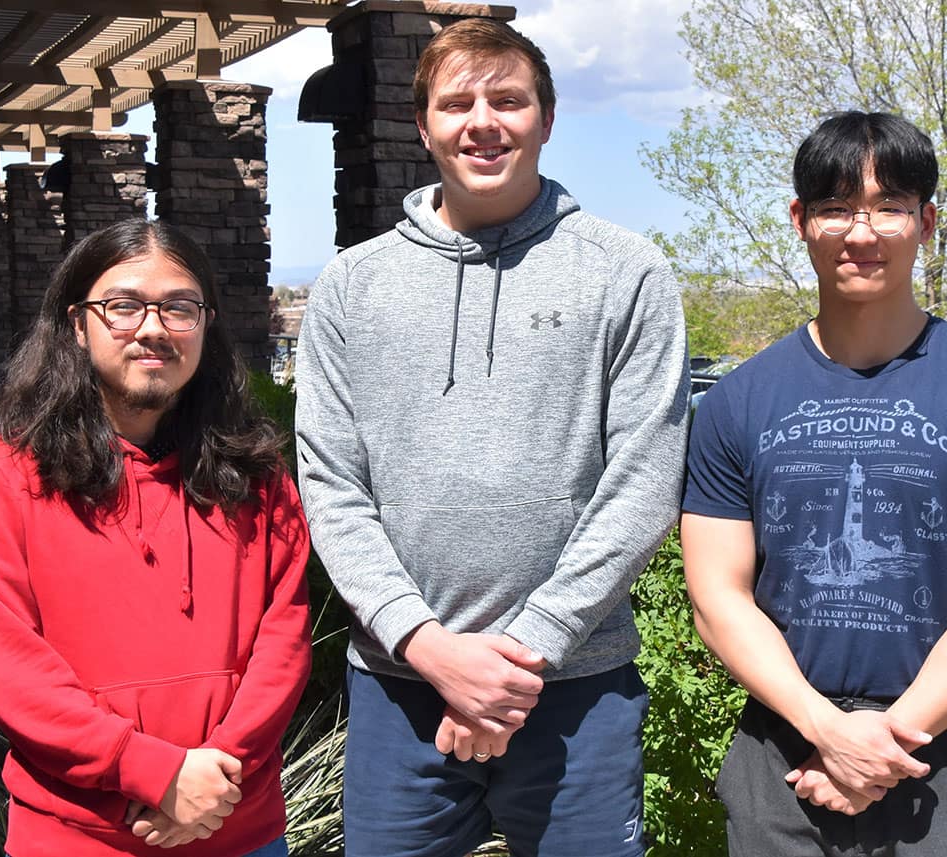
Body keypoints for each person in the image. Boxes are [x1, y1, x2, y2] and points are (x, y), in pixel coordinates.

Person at [294, 17, 689, 857]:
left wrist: (522, 656)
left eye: (508, 99)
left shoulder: (626, 273)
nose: (483, 120)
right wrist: (434, 650)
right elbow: (331, 487)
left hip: (576, 688)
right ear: (424, 124)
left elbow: (646, 480)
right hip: (402, 688)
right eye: (457, 102)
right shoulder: (350, 288)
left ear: (546, 119)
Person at [681, 111, 947, 855]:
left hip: (938, 757)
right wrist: (827, 729)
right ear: (800, 220)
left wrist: (880, 745)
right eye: (835, 207)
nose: (860, 233)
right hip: (784, 757)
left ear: (926, 222)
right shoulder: (739, 401)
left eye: (889, 207)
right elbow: (717, 598)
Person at [0, 219, 312, 857]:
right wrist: (154, 773)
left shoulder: (257, 477)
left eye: (179, 307)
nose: (153, 328)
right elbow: (15, 675)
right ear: (76, 322)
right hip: (76, 839)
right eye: (123, 306)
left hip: (241, 832)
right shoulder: (3, 480)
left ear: (205, 323)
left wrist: (211, 777)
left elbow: (281, 647)